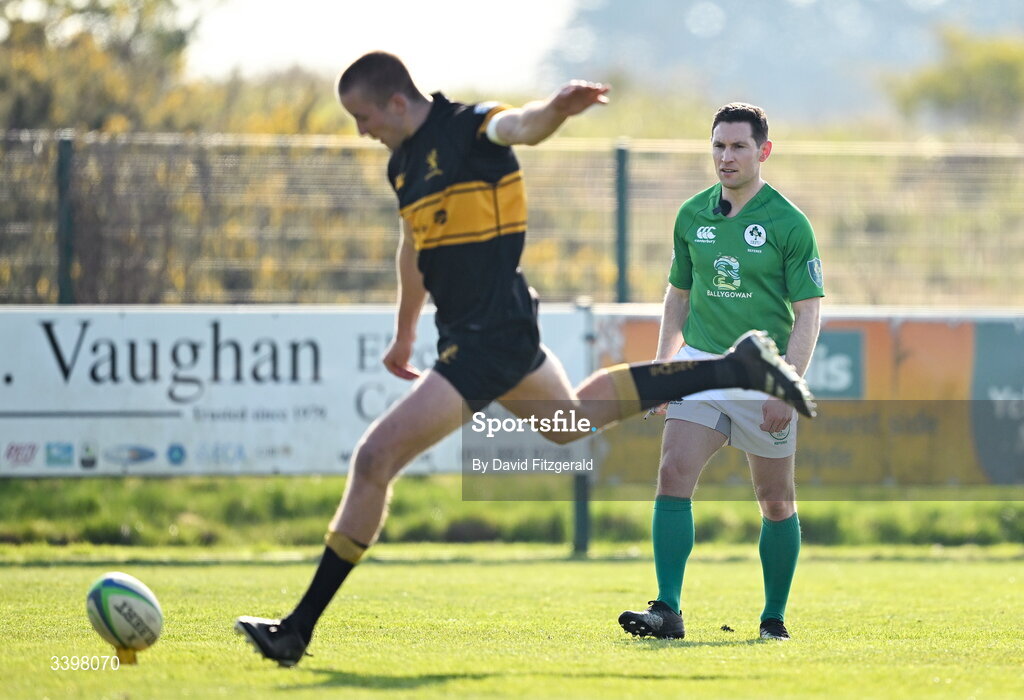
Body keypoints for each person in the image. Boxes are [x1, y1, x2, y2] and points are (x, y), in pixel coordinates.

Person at [235, 54, 816, 667]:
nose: (360, 130)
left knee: (375, 457)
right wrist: (405, 332)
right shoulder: (403, 162)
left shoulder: (467, 126)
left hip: (489, 337)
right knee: (569, 424)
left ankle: (297, 629)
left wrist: (556, 111)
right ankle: (730, 368)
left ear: (397, 103)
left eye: (363, 116)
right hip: (483, 331)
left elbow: (520, 126)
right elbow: (412, 245)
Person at [617, 103, 824, 643]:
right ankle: (667, 609)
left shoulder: (789, 222)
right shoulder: (692, 215)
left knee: (775, 500)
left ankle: (773, 617)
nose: (725, 157)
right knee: (671, 474)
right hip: (701, 366)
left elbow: (808, 312)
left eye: (737, 146)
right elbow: (677, 295)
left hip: (763, 375)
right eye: (718, 146)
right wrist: (665, 364)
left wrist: (789, 382)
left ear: (763, 151)